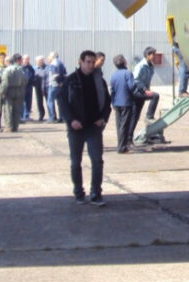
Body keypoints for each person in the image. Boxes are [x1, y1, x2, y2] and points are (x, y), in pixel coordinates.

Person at [64, 50, 111, 206]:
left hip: (93, 128)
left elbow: (107, 102)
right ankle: (79, 192)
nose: (91, 65)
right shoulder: (71, 80)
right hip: (76, 128)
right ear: (81, 62)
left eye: (93, 62)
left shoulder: (99, 81)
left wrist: (103, 118)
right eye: (88, 62)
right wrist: (71, 121)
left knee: (97, 161)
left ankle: (96, 193)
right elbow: (63, 103)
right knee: (76, 162)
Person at [109, 55, 154, 153]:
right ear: (124, 62)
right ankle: (122, 147)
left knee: (119, 124)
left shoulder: (114, 75)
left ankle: (121, 145)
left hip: (116, 103)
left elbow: (112, 89)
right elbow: (132, 86)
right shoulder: (128, 73)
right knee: (125, 125)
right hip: (126, 102)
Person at [133, 46, 163, 142]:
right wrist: (145, 89)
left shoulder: (150, 66)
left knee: (136, 116)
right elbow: (136, 80)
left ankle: (129, 138)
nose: (154, 56)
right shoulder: (140, 66)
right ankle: (149, 116)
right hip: (137, 92)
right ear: (147, 55)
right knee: (155, 96)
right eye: (153, 54)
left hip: (143, 92)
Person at [0, 54, 28, 132]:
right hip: (18, 90)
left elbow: (5, 83)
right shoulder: (20, 69)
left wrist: (3, 92)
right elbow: (24, 81)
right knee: (17, 110)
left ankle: (8, 127)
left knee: (8, 109)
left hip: (9, 90)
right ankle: (15, 126)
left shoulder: (7, 70)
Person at [47, 52, 67, 123]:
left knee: (50, 101)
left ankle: (52, 117)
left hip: (54, 85)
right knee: (60, 102)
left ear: (53, 56)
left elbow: (55, 75)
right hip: (60, 85)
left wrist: (59, 82)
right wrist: (62, 83)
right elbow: (65, 74)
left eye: (49, 56)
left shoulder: (53, 63)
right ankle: (62, 117)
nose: (48, 57)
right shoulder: (61, 63)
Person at [20, 54, 35, 123]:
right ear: (22, 60)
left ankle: (27, 115)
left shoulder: (30, 67)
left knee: (29, 101)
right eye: (26, 59)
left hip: (29, 86)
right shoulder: (20, 67)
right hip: (23, 87)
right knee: (23, 102)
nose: (27, 60)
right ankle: (23, 116)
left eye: (28, 59)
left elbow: (33, 75)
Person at [33, 55, 48, 122]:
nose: (39, 62)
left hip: (46, 87)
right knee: (39, 102)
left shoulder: (47, 68)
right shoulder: (35, 68)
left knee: (48, 101)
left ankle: (52, 115)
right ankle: (41, 115)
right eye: (38, 61)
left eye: (41, 61)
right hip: (38, 87)